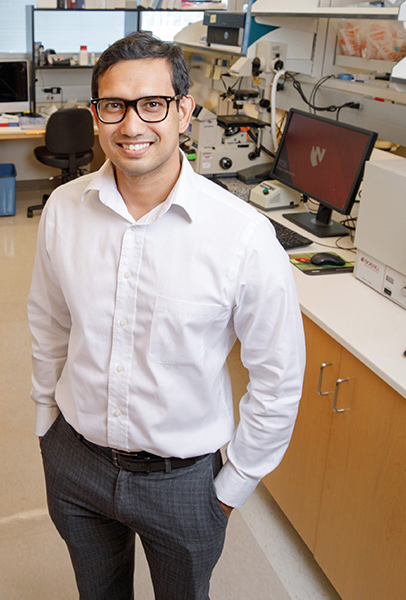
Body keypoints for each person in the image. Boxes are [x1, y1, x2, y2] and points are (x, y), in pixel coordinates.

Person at [27, 32, 305, 600]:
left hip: (183, 483)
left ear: (184, 111)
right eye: (114, 106)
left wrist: (233, 486)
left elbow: (278, 380)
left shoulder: (243, 238)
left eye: (152, 104)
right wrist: (44, 428)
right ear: (96, 116)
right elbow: (49, 325)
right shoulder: (63, 208)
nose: (132, 126)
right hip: (76, 460)